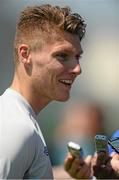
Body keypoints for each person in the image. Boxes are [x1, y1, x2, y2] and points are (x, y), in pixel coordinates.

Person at [0, 3, 86, 179]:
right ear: (25, 54)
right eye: (62, 55)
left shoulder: (19, 119)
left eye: (77, 57)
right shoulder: (17, 128)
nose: (77, 69)